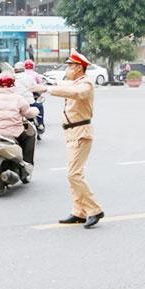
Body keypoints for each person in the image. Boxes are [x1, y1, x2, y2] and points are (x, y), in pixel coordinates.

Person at [48, 50, 105, 229]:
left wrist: (49, 89)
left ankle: (94, 209)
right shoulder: (76, 82)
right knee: (74, 174)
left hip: (81, 131)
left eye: (70, 65)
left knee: (74, 174)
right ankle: (79, 211)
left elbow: (76, 93)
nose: (68, 68)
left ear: (79, 67)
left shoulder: (86, 83)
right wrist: (45, 83)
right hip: (72, 132)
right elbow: (67, 86)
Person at [0, 74, 38, 165]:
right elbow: (28, 113)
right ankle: (27, 163)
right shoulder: (18, 99)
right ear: (13, 85)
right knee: (29, 138)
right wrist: (35, 111)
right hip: (14, 133)